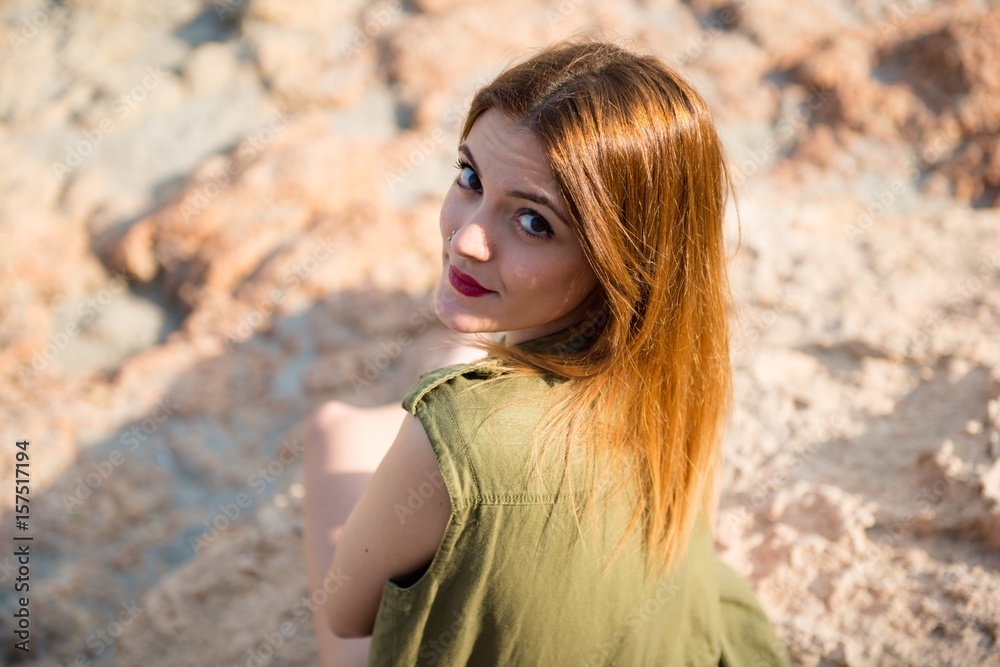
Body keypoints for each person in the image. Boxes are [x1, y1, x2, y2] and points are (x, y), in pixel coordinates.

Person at [302, 40, 788, 666]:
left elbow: (346, 616)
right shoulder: (687, 367)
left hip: (469, 450)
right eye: (470, 178)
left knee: (332, 432)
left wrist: (447, 433)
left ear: (617, 258)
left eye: (533, 223)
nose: (467, 239)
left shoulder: (449, 435)